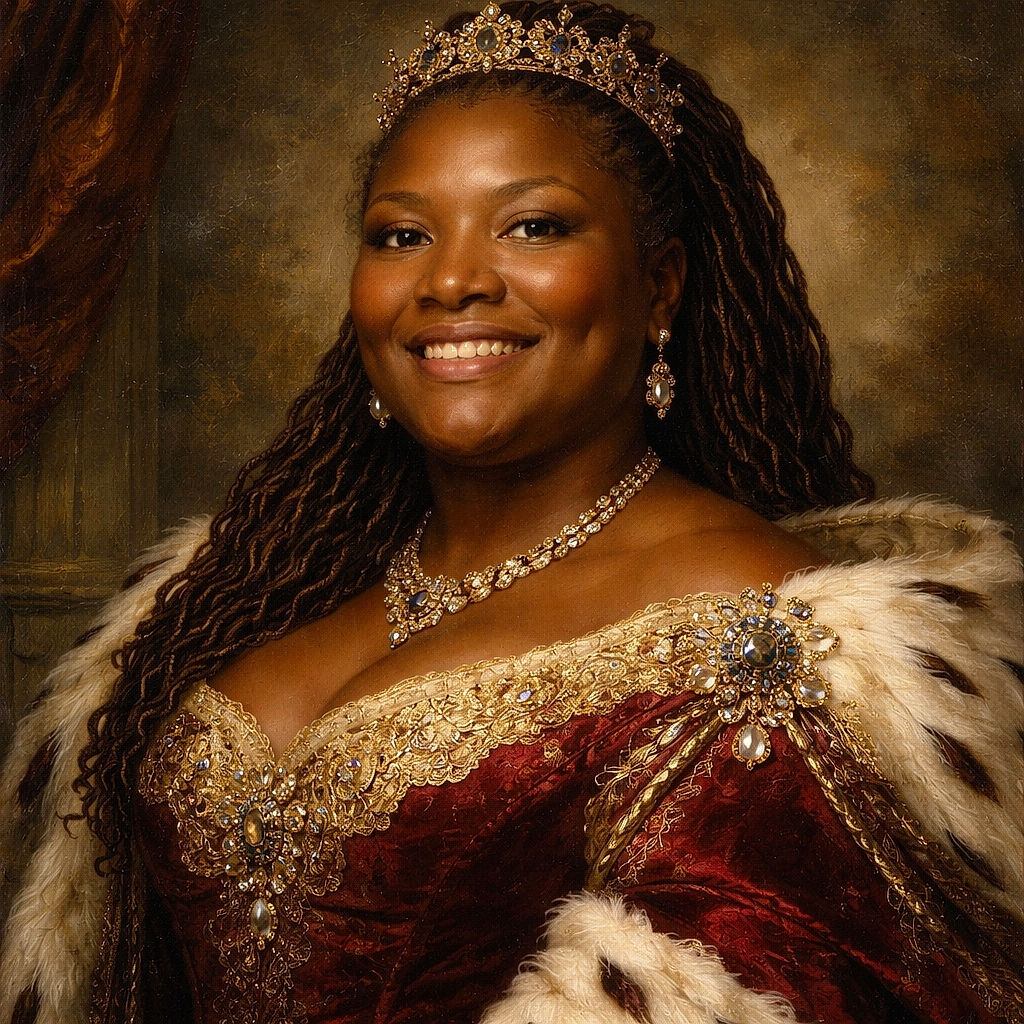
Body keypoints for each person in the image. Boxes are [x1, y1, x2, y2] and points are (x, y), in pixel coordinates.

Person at [1, 3, 1021, 1022]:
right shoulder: (240, 590)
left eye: (533, 226)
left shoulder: (765, 630)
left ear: (658, 288)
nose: (450, 281)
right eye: (403, 235)